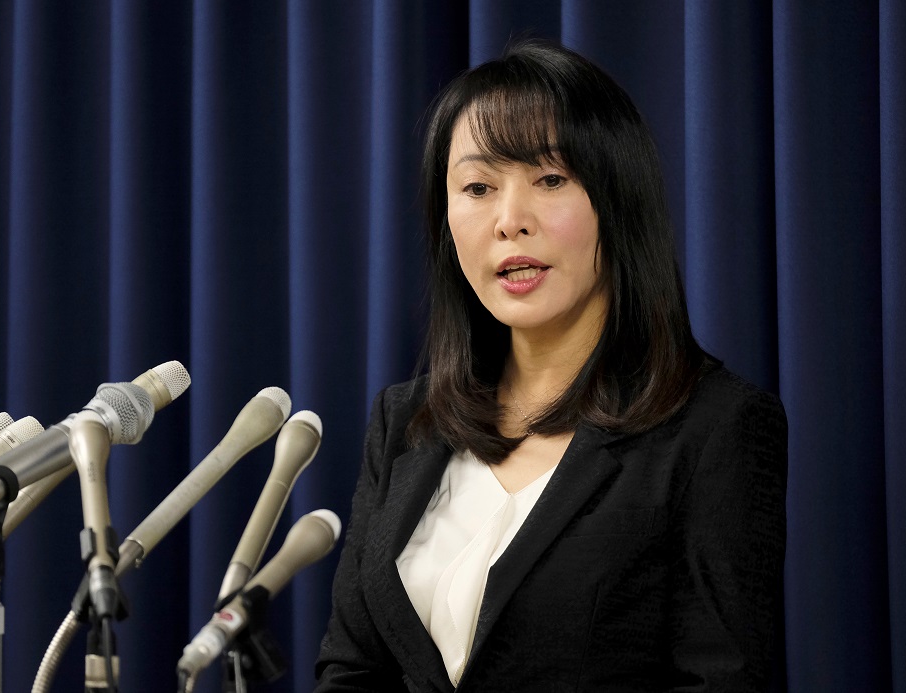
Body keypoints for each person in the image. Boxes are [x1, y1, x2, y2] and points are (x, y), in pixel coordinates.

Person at [315, 39, 787, 693]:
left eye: (551, 179)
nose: (511, 220)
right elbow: (351, 668)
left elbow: (722, 680)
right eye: (478, 187)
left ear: (617, 202)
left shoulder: (717, 425)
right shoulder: (406, 419)